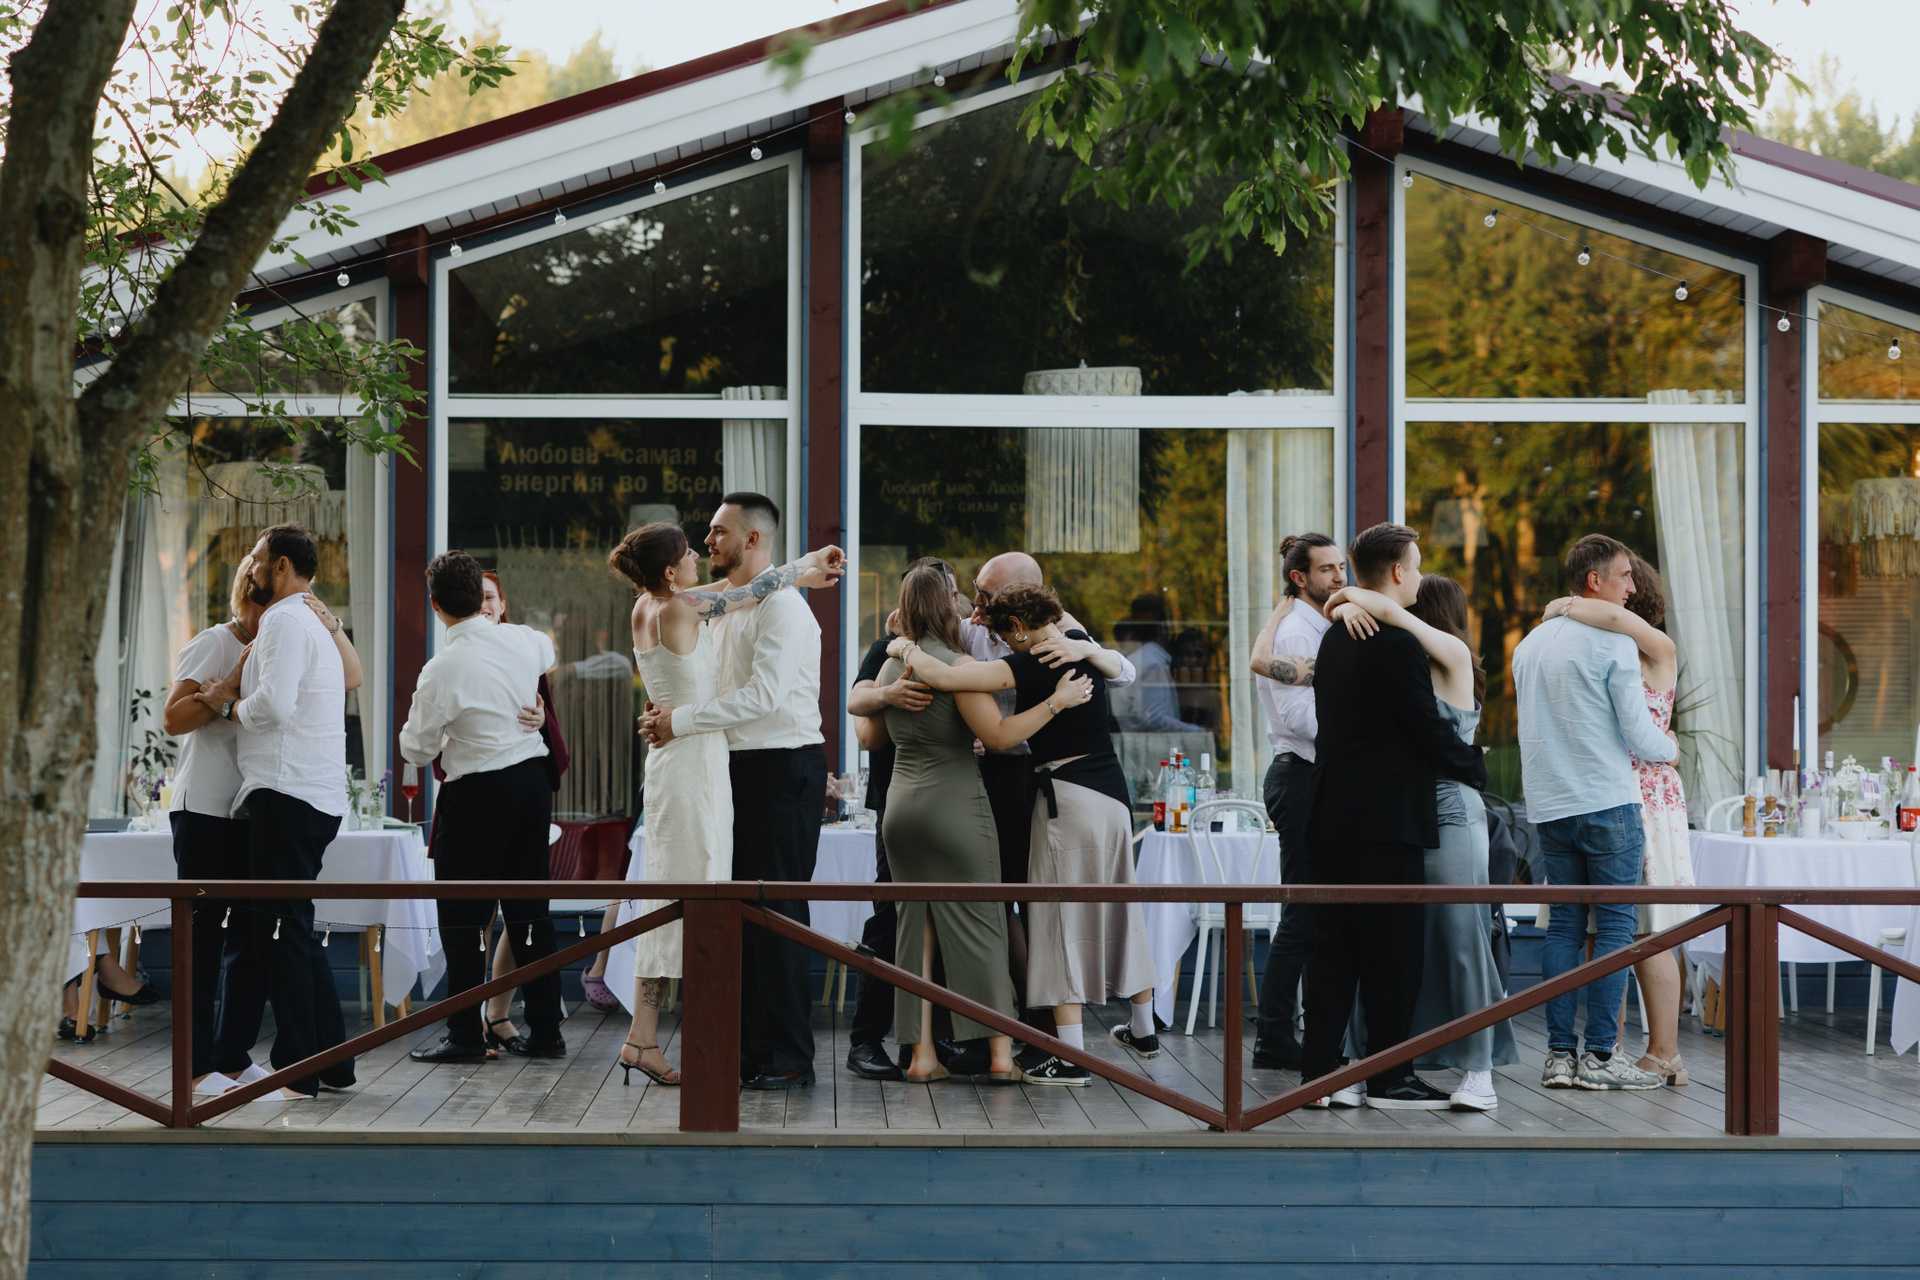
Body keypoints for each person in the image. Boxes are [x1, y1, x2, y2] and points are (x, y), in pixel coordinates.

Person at [895, 582, 1157, 1086]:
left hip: (1068, 799)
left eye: (1003, 635)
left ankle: (1072, 1058)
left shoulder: (1035, 660)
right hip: (1112, 796)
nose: (1002, 644)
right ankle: (1143, 1028)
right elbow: (1118, 668)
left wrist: (904, 647)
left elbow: (945, 676)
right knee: (1121, 906)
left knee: (1057, 923)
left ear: (1017, 627)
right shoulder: (1077, 641)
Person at [609, 523, 843, 1085]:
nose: (698, 554)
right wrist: (808, 562)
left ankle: (648, 1034)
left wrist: (801, 575)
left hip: (674, 762)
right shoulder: (682, 608)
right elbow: (748, 591)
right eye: (688, 552)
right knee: (699, 896)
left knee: (671, 893)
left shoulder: (646, 607)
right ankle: (667, 1038)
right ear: (671, 572)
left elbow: (741, 590)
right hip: (694, 764)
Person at [871, 564, 1088, 1082]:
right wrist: (1055, 702)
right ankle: (1000, 1057)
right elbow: (1000, 736)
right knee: (984, 925)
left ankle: (921, 1057)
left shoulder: (889, 668)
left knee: (914, 933)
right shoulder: (958, 664)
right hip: (954, 803)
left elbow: (869, 736)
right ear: (946, 606)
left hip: (899, 806)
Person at [1298, 523, 1487, 1111]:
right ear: (1400, 571)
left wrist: (1344, 600)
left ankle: (1320, 1074)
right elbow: (1424, 729)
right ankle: (1388, 1075)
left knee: (1333, 950)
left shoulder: (1335, 637)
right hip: (1386, 820)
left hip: (1328, 813)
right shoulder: (1400, 644)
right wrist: (1475, 763)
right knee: (1392, 956)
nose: (1422, 575)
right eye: (1419, 564)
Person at [162, 560, 364, 1095]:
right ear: (251, 595)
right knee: (203, 940)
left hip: (249, 809)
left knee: (252, 943)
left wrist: (333, 626)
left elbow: (350, 677)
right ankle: (195, 1067)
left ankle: (232, 1055)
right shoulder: (215, 641)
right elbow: (172, 718)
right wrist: (224, 690)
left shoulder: (291, 636)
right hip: (206, 808)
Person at [1512, 534, 1675, 1092]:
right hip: (1606, 799)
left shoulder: (1528, 644)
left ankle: (1559, 1056)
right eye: (1624, 576)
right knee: (1616, 929)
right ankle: (1601, 1056)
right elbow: (1639, 734)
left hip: (1550, 803)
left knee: (1563, 927)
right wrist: (1672, 749)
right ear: (1594, 581)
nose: (1631, 587)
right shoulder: (1613, 643)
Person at [962, 551, 1136, 1035]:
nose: (977, 606)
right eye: (976, 591)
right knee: (1008, 902)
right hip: (1005, 775)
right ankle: (1014, 1024)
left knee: (1051, 907)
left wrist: (1088, 652)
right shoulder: (969, 629)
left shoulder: (1056, 638)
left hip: (1043, 779)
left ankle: (1055, 1039)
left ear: (1017, 610)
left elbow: (1123, 673)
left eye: (986, 596)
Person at [401, 551, 564, 1064]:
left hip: (477, 795)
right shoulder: (523, 640)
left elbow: (415, 750)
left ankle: (466, 1036)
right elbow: (549, 651)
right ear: (481, 598)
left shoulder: (441, 669)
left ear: (436, 606)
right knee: (531, 910)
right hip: (531, 786)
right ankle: (546, 1031)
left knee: (463, 915)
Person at [454, 570, 568, 1055]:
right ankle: (471, 1024)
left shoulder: (526, 653)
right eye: (476, 597)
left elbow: (551, 731)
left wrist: (542, 723)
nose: (483, 605)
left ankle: (502, 1016)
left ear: (502, 606)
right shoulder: (454, 657)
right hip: (473, 795)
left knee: (525, 913)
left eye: (490, 598)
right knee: (474, 913)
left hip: (522, 796)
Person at [842, 558, 945, 1082]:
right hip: (896, 797)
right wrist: (889, 696)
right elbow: (861, 722)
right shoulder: (886, 650)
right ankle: (866, 1038)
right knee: (891, 915)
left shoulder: (963, 653)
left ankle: (933, 1040)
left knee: (952, 918)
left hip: (956, 802)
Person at [1247, 532, 1347, 1070]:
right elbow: (1297, 718)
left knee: (1317, 914)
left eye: (1341, 566)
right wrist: (1360, 722)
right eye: (1327, 569)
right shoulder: (1294, 629)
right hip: (1301, 777)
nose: (1340, 576)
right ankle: (1274, 1037)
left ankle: (1300, 1031)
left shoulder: (1324, 623)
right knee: (1303, 913)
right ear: (1299, 577)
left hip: (1317, 780)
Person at [1111, 593, 1205, 734]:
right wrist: (1200, 732)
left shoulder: (1133, 661)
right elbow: (1154, 719)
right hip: (1152, 745)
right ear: (1164, 626)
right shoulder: (1153, 664)